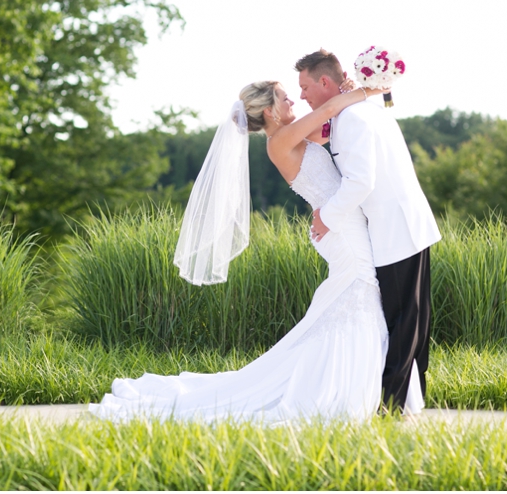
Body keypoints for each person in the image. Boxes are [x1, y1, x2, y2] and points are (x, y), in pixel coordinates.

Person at [89, 79, 424, 423]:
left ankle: (361, 384)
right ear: (269, 110)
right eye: (284, 95)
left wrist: (353, 98)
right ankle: (354, 389)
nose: (293, 98)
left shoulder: (295, 134)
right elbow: (326, 111)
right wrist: (372, 88)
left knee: (356, 297)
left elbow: (333, 126)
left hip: (340, 225)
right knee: (361, 293)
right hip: (340, 231)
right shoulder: (280, 141)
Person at [297, 48, 441, 413]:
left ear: (325, 82)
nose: (302, 96)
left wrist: (326, 217)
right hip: (408, 225)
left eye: (304, 86)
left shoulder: (353, 120)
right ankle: (413, 399)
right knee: (415, 316)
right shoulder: (361, 111)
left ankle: (392, 405)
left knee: (403, 319)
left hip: (396, 229)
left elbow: (361, 181)